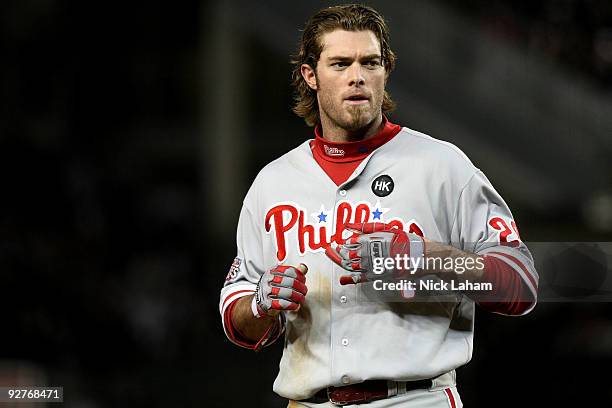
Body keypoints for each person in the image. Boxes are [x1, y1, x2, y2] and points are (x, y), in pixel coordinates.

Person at [219, 4, 538, 407]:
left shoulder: (442, 166)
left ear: (385, 70)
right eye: (339, 63)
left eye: (369, 62)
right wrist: (261, 304)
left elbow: (520, 284)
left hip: (417, 398)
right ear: (310, 75)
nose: (356, 76)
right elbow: (237, 320)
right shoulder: (274, 182)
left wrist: (420, 257)